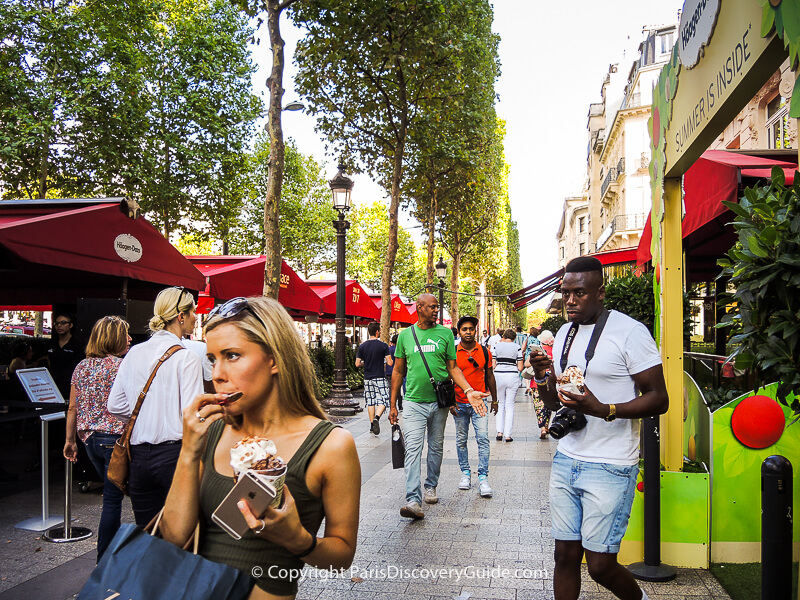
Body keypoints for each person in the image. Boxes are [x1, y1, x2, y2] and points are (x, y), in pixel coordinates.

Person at [160, 297, 360, 598]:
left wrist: (299, 540)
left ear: (275, 359)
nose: (217, 374)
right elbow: (174, 535)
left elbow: (341, 557)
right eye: (213, 359)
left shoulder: (330, 445)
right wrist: (188, 450)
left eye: (233, 355)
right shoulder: (213, 430)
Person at [530, 256, 668, 600]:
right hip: (567, 458)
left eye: (579, 293)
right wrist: (541, 375)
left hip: (611, 464)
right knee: (564, 556)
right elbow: (553, 403)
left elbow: (659, 399)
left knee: (601, 565)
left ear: (600, 292)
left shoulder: (630, 332)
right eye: (566, 293)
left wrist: (604, 409)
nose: (571, 301)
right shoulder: (564, 333)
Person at [108, 287, 204, 527]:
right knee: (184, 534)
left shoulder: (134, 353)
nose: (195, 316)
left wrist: (146, 417)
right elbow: (193, 415)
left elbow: (115, 405)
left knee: (148, 534)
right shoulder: (186, 357)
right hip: (175, 456)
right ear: (180, 316)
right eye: (192, 311)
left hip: (138, 457)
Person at [388, 294, 489, 520]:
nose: (436, 310)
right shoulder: (405, 336)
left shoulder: (445, 334)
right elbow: (397, 371)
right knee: (413, 449)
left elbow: (453, 368)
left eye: (437, 307)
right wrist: (392, 403)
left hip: (439, 402)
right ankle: (413, 500)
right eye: (432, 307)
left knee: (435, 447)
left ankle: (431, 485)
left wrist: (469, 390)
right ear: (419, 308)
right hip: (413, 402)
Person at [63, 316, 131, 561]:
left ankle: (111, 556)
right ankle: (104, 560)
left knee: (111, 499)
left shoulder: (81, 367)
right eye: (126, 334)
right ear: (113, 338)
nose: (130, 339)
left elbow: (72, 408)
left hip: (89, 441)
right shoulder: (121, 366)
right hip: (115, 441)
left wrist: (70, 441)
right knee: (113, 502)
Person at [451, 316, 497, 498]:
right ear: (459, 331)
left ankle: (483, 477)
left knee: (483, 438)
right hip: (460, 403)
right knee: (461, 440)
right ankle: (465, 473)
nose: (468, 332)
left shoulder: (484, 352)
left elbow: (490, 376)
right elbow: (448, 377)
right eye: (464, 329)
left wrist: (495, 400)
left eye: (471, 329)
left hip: (480, 404)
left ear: (475, 331)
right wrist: (451, 402)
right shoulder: (453, 351)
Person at [355, 322, 393, 435]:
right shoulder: (383, 346)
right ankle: (377, 417)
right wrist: (383, 361)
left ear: (368, 332)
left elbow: (357, 364)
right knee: (384, 399)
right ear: (377, 332)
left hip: (368, 377)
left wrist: (365, 363)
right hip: (380, 376)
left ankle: (372, 425)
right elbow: (390, 362)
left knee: (370, 401)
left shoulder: (362, 346)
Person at [492, 329, 523, 442]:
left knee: (500, 404)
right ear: (514, 337)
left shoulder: (497, 346)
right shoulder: (517, 347)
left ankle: (499, 432)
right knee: (510, 406)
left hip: (499, 375)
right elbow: (520, 367)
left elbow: (493, 364)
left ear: (504, 336)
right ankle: (507, 435)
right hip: (512, 376)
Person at [48, 312, 85, 400]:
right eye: (57, 323)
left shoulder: (77, 345)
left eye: (63, 323)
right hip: (53, 386)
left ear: (70, 325)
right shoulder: (51, 343)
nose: (59, 326)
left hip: (71, 387)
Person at [527, 329, 554, 438]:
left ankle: (543, 428)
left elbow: (526, 364)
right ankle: (546, 426)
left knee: (539, 406)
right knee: (549, 405)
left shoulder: (537, 351)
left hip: (536, 383)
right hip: (551, 382)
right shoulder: (556, 350)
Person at [386, 333, 402, 411]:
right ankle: (400, 405)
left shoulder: (389, 349)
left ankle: (391, 404)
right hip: (398, 371)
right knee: (398, 388)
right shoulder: (399, 349)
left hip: (389, 371)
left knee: (390, 388)